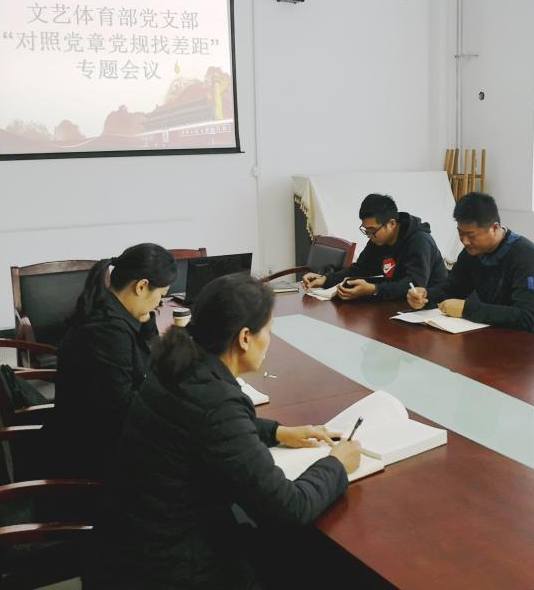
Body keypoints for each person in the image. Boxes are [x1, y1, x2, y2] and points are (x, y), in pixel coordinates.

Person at [93, 273, 361, 589]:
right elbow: (289, 508)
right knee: (311, 563)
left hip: (128, 543)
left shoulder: (175, 365)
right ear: (245, 337)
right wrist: (336, 464)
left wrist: (277, 432)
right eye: (268, 331)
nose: (270, 341)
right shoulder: (217, 402)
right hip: (173, 566)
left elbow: (197, 425)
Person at [47, 243, 177, 479]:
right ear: (141, 286)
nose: (158, 303)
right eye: (160, 296)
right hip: (91, 459)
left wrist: (147, 322)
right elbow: (123, 409)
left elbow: (152, 363)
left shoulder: (109, 308)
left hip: (100, 437)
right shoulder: (107, 332)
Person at [406, 192, 534, 335]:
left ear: (494, 228)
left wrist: (466, 309)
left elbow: (527, 318)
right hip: (499, 335)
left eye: (471, 235)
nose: (464, 241)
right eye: (460, 233)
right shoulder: (471, 252)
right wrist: (426, 296)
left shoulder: (526, 256)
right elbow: (452, 289)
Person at [302, 193, 447, 302]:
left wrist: (374, 289)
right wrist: (325, 279)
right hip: (395, 303)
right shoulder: (378, 240)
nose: (369, 236)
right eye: (366, 230)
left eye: (372, 230)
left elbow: (414, 285)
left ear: (392, 224)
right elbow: (360, 268)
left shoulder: (420, 241)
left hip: (429, 308)